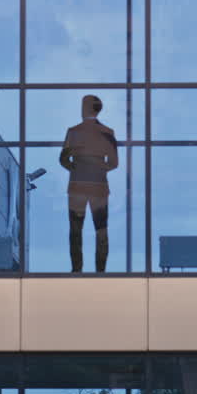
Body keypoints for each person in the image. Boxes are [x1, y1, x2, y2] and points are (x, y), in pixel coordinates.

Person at [59, 95, 118, 272]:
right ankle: (101, 270)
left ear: (85, 108)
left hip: (77, 185)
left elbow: (63, 159)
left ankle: (77, 269)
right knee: (101, 229)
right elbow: (114, 163)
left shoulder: (73, 131)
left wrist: (75, 168)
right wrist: (99, 169)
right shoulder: (108, 132)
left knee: (76, 229)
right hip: (99, 186)